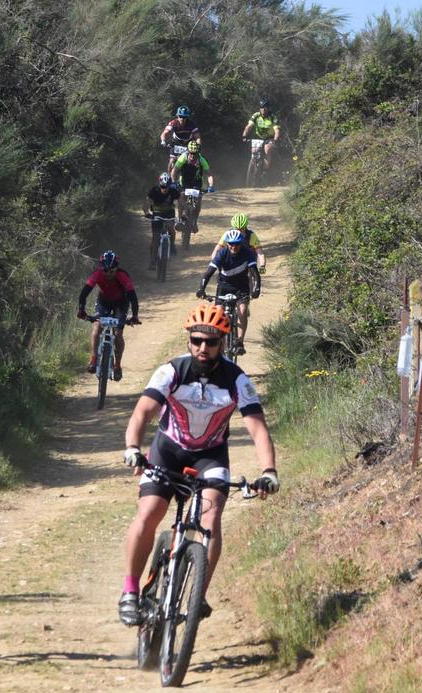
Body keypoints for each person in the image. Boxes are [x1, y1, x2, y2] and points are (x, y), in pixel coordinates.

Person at [116, 303, 280, 625]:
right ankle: (131, 591)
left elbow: (257, 427)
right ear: (189, 340)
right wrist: (133, 448)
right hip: (169, 449)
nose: (203, 348)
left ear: (223, 342)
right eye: (196, 341)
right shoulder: (173, 371)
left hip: (210, 454)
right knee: (149, 513)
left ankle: (196, 595)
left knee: (212, 514)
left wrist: (269, 471)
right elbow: (143, 412)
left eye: (211, 342)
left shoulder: (237, 379)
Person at [77, 250, 141, 380]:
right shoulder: (97, 274)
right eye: (105, 271)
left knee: (118, 334)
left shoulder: (122, 276)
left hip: (121, 303)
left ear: (116, 268)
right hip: (104, 302)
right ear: (101, 268)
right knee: (97, 326)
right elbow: (84, 293)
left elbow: (133, 298)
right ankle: (93, 359)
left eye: (112, 270)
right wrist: (82, 310)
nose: (108, 274)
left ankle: (117, 365)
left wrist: (134, 316)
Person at [196, 228, 261, 355]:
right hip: (224, 286)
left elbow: (255, 273)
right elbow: (209, 273)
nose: (233, 247)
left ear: (241, 243)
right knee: (219, 314)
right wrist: (201, 288)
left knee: (242, 309)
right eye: (230, 244)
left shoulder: (248, 253)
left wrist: (257, 289)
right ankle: (221, 343)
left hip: (241, 286)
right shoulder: (222, 254)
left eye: (236, 244)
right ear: (227, 244)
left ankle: (240, 341)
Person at [170, 140, 215, 234]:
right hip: (185, 182)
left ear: (198, 154)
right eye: (190, 154)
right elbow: (174, 171)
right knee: (180, 198)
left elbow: (209, 174)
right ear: (187, 152)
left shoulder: (202, 160)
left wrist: (211, 185)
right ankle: (180, 219)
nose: (192, 156)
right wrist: (173, 182)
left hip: (196, 183)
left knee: (198, 201)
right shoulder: (183, 158)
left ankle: (194, 221)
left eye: (195, 154)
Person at [143, 172, 181, 266]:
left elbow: (181, 202)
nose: (164, 189)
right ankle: (152, 261)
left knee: (171, 228)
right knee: (155, 238)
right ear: (160, 184)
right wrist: (147, 213)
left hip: (169, 214)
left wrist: (183, 214)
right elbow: (146, 202)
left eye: (166, 187)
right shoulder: (154, 190)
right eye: (163, 187)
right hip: (157, 214)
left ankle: (171, 245)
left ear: (169, 185)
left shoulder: (173, 191)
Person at [241, 98, 281, 173]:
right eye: (261, 107)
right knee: (254, 150)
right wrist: (244, 136)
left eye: (265, 108)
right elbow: (248, 127)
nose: (263, 109)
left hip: (269, 138)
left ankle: (265, 171)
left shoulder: (273, 117)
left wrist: (275, 140)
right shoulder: (256, 115)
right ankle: (253, 165)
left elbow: (277, 131)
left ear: (268, 108)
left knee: (267, 150)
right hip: (258, 137)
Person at [159, 105, 201, 173]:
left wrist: (198, 145)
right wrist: (163, 141)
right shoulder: (173, 123)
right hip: (176, 142)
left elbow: (197, 137)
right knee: (171, 161)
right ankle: (170, 180)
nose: (182, 119)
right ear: (177, 116)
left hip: (187, 143)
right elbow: (164, 133)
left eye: (184, 117)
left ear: (187, 117)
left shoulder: (192, 124)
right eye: (180, 116)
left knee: (191, 161)